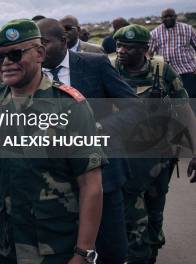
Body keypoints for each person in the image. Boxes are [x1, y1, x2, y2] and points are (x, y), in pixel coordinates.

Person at [0, 19, 104, 264]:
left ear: (39, 53)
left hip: (55, 244)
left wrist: (83, 252)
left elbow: (91, 183)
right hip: (8, 242)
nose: (6, 63)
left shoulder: (70, 105)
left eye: (15, 54)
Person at [37, 17, 141, 264]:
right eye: (35, 45)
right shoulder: (30, 73)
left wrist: (98, 127)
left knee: (111, 251)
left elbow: (134, 108)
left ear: (64, 41)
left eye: (45, 43)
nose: (39, 50)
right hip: (54, 184)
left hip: (102, 175)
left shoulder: (95, 64)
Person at [113, 24, 196, 264]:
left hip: (159, 156)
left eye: (129, 47)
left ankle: (153, 247)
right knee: (130, 211)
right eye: (119, 45)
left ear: (145, 49)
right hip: (126, 156)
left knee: (155, 208)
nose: (122, 51)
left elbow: (185, 111)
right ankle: (137, 254)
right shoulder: (109, 69)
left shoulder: (162, 71)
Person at [149, 8, 196, 99]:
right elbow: (149, 54)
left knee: (192, 99)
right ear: (161, 18)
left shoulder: (187, 29)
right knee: (175, 103)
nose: (168, 18)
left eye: (171, 16)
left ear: (176, 17)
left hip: (188, 71)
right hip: (168, 74)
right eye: (165, 16)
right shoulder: (155, 33)